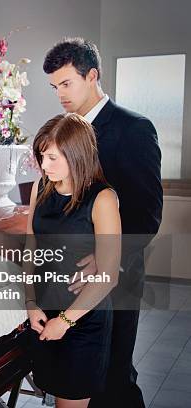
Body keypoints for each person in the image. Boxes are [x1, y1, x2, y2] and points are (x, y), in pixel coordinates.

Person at [43, 38, 163, 408]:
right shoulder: (62, 133)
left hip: (117, 278)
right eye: (54, 87)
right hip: (68, 282)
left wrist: (105, 256)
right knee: (80, 382)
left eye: (67, 84)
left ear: (92, 76)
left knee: (115, 380)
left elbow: (147, 213)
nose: (60, 94)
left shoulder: (134, 129)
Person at [25, 113, 121, 408]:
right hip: (43, 313)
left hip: (83, 321)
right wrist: (30, 303)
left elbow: (108, 275)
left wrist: (65, 321)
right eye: (42, 156)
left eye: (53, 157)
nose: (44, 165)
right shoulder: (40, 187)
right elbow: (31, 245)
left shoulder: (102, 199)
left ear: (76, 155)